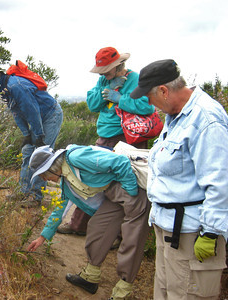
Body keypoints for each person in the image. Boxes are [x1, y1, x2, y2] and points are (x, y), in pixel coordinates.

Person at [130, 59, 228, 299]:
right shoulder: (176, 116)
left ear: (163, 90)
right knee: (166, 292)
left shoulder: (206, 119)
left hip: (192, 232)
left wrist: (211, 233)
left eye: (150, 98)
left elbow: (220, 180)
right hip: (169, 227)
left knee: (186, 293)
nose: (151, 105)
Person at [27, 144, 151, 299]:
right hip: (113, 193)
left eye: (43, 175)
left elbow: (120, 162)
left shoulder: (75, 158)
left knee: (132, 238)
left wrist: (131, 193)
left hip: (133, 187)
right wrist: (42, 237)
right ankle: (90, 278)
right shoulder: (66, 182)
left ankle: (122, 291)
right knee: (98, 226)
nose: (44, 179)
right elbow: (59, 210)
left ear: (51, 166)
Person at [58, 47, 155, 237]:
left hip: (129, 139)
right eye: (102, 72)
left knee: (127, 185)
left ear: (119, 66)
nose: (104, 75)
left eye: (107, 71)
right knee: (90, 177)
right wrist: (108, 88)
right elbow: (93, 104)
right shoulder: (104, 80)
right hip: (105, 137)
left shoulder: (135, 80)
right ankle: (78, 225)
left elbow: (146, 107)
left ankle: (120, 235)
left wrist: (121, 99)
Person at [0, 62, 63, 207]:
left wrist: (38, 135)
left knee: (42, 155)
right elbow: (16, 112)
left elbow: (32, 111)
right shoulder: (4, 89)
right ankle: (24, 191)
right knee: (27, 151)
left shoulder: (15, 86)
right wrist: (26, 134)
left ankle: (35, 196)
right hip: (38, 118)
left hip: (50, 115)